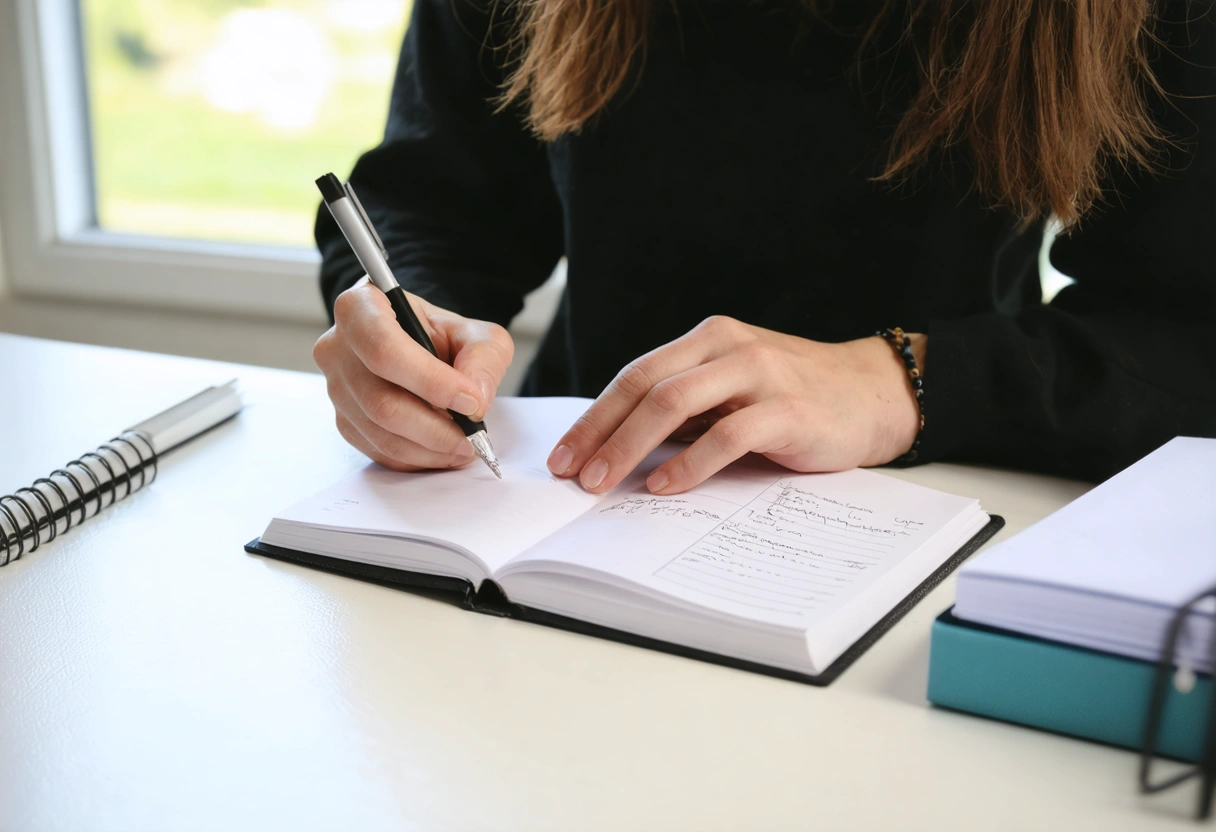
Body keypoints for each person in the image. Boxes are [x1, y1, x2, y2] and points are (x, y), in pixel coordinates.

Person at [313, 0, 1215, 496]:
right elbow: (436, 196)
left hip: (949, 498)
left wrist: (910, 379)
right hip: (570, 501)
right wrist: (406, 318)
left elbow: (1185, 334)